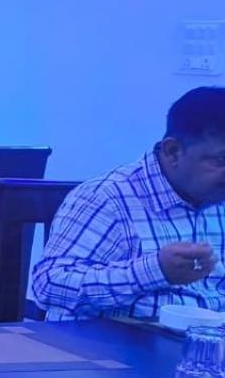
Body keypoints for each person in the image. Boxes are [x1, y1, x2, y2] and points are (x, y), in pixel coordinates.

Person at [32, 87, 225, 320]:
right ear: (173, 152)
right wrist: (155, 271)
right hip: (117, 339)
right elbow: (49, 284)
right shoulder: (106, 198)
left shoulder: (217, 197)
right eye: (221, 160)